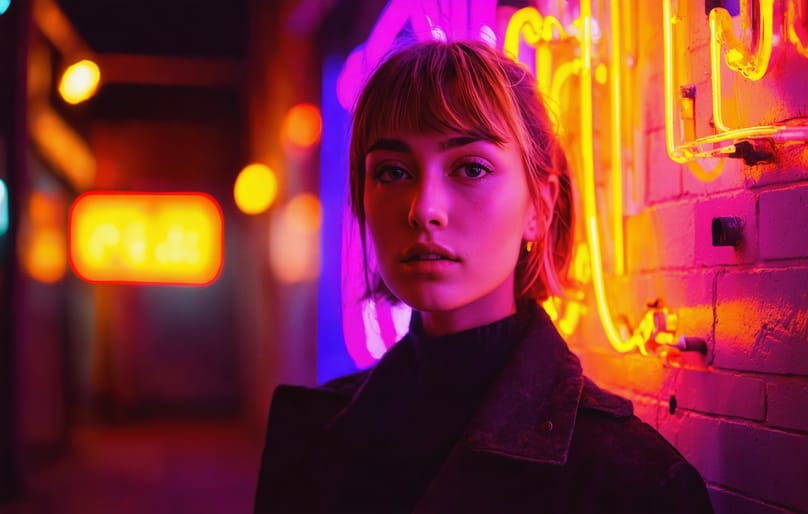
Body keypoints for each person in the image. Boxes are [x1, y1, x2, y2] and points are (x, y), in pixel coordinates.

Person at [254, 39, 713, 514]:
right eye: (392, 172)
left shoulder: (630, 484)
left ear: (540, 204)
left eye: (470, 168)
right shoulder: (313, 436)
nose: (424, 209)